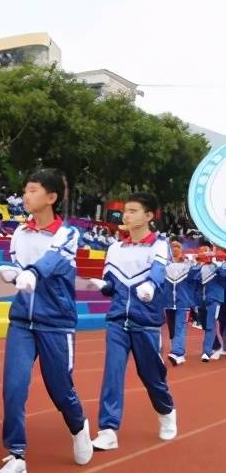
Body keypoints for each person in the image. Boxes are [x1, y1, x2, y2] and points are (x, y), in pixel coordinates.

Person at [0, 169, 91, 473]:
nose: (26, 195)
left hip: (55, 323)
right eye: (25, 190)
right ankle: (16, 453)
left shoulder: (68, 234)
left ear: (51, 197)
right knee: (14, 387)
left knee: (60, 389)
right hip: (21, 321)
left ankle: (78, 426)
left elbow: (53, 262)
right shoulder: (20, 233)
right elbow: (21, 270)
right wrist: (13, 273)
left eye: (32, 190)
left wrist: (32, 273)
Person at [87, 193, 177, 450]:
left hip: (145, 322)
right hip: (117, 321)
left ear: (149, 216)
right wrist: (101, 285)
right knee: (112, 373)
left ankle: (166, 410)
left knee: (151, 376)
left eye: (134, 211)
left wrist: (150, 285)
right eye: (126, 210)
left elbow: (158, 272)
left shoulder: (159, 244)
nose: (127, 215)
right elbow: (111, 284)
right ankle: (108, 429)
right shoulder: (115, 248)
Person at [163, 239, 200, 366]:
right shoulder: (165, 265)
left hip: (183, 302)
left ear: (181, 249)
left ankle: (177, 352)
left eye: (177, 246)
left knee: (180, 327)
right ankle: (179, 352)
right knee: (172, 329)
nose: (175, 248)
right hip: (168, 302)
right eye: (172, 246)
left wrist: (195, 262)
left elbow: (197, 276)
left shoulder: (189, 265)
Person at [196, 248, 224, 362]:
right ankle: (215, 345)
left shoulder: (219, 265)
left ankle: (206, 352)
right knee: (204, 324)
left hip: (215, 299)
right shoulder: (200, 267)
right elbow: (193, 278)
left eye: (207, 251)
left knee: (210, 324)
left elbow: (223, 274)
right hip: (201, 301)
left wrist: (215, 263)